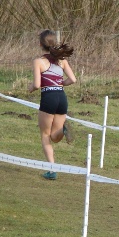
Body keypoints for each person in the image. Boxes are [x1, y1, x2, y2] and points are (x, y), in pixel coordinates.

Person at [30, 30, 78, 180]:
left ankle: (52, 170)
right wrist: (60, 84)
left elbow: (37, 84)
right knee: (55, 137)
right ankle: (63, 130)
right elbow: (73, 79)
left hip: (49, 97)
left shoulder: (38, 61)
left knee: (45, 135)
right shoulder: (62, 60)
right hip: (61, 97)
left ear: (40, 44)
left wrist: (30, 88)